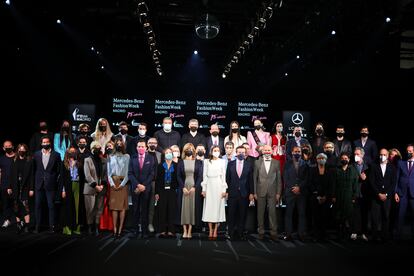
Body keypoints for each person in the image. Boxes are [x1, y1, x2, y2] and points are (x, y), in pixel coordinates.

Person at [128, 139, 156, 239]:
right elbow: (130, 173)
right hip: (135, 188)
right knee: (135, 210)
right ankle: (135, 230)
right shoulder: (133, 158)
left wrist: (143, 185)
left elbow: (152, 174)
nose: (140, 148)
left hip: (146, 188)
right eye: (139, 146)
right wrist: (138, 185)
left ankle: (144, 232)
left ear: (146, 148)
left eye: (142, 146)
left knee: (145, 210)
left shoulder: (151, 158)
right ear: (136, 148)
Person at [33, 136, 61, 233]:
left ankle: (51, 227)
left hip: (50, 184)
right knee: (38, 205)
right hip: (39, 184)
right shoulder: (36, 154)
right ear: (41, 143)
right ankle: (37, 227)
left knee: (51, 206)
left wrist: (53, 178)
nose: (45, 144)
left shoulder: (56, 155)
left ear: (50, 143)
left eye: (47, 142)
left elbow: (58, 170)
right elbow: (34, 169)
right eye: (43, 142)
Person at [226, 146, 254, 240]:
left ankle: (240, 234)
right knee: (231, 214)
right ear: (236, 153)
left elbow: (251, 180)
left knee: (242, 215)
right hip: (232, 193)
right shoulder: (230, 164)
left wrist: (251, 193)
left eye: (243, 152)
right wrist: (226, 191)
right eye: (239, 152)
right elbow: (227, 179)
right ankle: (230, 233)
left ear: (245, 154)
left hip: (244, 194)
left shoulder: (249, 165)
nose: (241, 154)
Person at [369, 148, 396, 242]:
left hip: (387, 197)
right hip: (376, 196)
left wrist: (387, 194)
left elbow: (393, 183)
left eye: (384, 154)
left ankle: (385, 236)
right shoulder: (373, 166)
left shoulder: (392, 167)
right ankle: (374, 237)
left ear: (388, 156)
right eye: (381, 154)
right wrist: (378, 194)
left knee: (386, 216)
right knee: (374, 217)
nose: (382, 156)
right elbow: (371, 181)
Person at [283, 146, 309, 241]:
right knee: (288, 214)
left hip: (301, 193)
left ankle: (301, 234)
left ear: (301, 152)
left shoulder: (305, 164)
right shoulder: (287, 164)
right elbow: (285, 178)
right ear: (292, 152)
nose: (297, 153)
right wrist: (293, 188)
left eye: (299, 151)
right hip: (290, 192)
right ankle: (288, 234)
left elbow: (306, 178)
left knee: (302, 214)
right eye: (295, 151)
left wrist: (299, 188)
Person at [201, 145, 227, 240]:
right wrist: (204, 189)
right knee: (209, 208)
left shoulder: (222, 162)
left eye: (218, 150)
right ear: (211, 151)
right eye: (214, 150)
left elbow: (223, 176)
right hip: (209, 186)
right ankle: (210, 230)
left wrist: (224, 190)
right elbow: (205, 176)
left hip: (218, 185)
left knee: (217, 208)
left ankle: (215, 230)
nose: (216, 152)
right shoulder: (206, 161)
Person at [177, 143, 203, 239]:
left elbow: (200, 176)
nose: (190, 150)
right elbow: (178, 176)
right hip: (184, 188)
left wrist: (194, 187)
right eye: (188, 149)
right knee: (184, 209)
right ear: (184, 150)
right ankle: (184, 230)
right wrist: (182, 187)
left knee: (192, 209)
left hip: (194, 188)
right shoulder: (180, 162)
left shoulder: (199, 162)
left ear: (194, 151)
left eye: (191, 149)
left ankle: (190, 231)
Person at [331, 153, 358, 241]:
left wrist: (354, 196)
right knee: (339, 216)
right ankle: (339, 234)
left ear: (349, 160)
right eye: (342, 158)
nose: (344, 159)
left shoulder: (353, 170)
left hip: (349, 196)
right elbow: (334, 184)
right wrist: (333, 196)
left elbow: (355, 184)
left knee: (348, 216)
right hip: (338, 196)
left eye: (346, 158)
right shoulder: (336, 170)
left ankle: (347, 234)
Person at [8, 144, 33, 233]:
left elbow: (32, 176)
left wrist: (31, 188)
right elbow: (10, 175)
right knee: (16, 206)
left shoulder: (29, 160)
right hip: (15, 186)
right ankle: (18, 225)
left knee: (26, 206)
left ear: (26, 150)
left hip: (25, 186)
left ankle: (27, 226)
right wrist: (9, 187)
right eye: (20, 149)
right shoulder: (14, 160)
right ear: (18, 150)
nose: (21, 151)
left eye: (23, 150)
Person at [107, 138, 130, 238]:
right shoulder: (110, 156)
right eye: (117, 144)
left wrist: (122, 184)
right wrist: (112, 184)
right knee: (114, 208)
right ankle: (114, 230)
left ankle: (120, 230)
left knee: (122, 208)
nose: (119, 145)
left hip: (123, 183)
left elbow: (128, 173)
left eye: (121, 144)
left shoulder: (127, 156)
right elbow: (108, 173)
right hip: (113, 182)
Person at [83, 141, 107, 235]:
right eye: (95, 148)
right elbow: (87, 175)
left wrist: (102, 185)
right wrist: (95, 186)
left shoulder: (104, 160)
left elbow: (105, 174)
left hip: (101, 188)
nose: (97, 149)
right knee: (90, 209)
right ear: (92, 149)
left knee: (99, 209)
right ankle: (89, 227)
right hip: (90, 188)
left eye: (99, 147)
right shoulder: (87, 160)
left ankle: (96, 227)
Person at [155, 148, 178, 238]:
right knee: (162, 210)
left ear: (172, 154)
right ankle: (163, 230)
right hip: (162, 190)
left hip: (172, 190)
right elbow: (157, 180)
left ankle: (171, 230)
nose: (168, 154)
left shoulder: (176, 165)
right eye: (166, 153)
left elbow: (178, 178)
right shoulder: (160, 166)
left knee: (171, 210)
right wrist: (156, 192)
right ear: (164, 155)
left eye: (170, 153)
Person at [59, 147, 82, 235]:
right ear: (67, 152)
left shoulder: (79, 162)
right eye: (70, 151)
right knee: (67, 206)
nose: (72, 152)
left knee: (77, 207)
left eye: (73, 151)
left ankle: (76, 227)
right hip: (68, 186)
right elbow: (62, 178)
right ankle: (67, 227)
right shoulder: (64, 163)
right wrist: (63, 190)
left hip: (77, 185)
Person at [309, 153, 331, 241]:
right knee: (315, 217)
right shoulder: (312, 170)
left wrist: (325, 196)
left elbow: (331, 184)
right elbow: (310, 183)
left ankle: (324, 235)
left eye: (323, 158)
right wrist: (317, 196)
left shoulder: (329, 171)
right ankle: (315, 236)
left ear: (326, 160)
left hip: (326, 197)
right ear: (317, 159)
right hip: (315, 197)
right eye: (319, 158)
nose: (321, 159)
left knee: (324, 217)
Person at [394, 144, 414, 240]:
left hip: (413, 193)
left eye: (410, 151)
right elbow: (397, 178)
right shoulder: (401, 163)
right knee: (400, 215)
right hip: (402, 193)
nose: (408, 153)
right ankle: (398, 236)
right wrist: (396, 192)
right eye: (407, 151)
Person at [351, 147, 371, 241]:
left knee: (364, 214)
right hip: (355, 193)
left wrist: (365, 180)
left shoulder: (368, 167)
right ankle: (354, 232)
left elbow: (371, 182)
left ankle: (364, 233)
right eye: (355, 154)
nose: (356, 156)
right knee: (355, 214)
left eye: (358, 154)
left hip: (365, 194)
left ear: (362, 155)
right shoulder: (351, 166)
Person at [147, 137, 162, 233]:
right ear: (147, 144)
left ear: (157, 145)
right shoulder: (143, 154)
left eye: (154, 143)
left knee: (152, 205)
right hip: (145, 183)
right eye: (150, 142)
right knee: (143, 204)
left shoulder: (160, 155)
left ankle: (150, 223)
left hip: (156, 183)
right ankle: (142, 223)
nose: (152, 144)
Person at [0, 140, 16, 229]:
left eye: (9, 146)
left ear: (13, 147)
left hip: (15, 184)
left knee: (16, 203)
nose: (8, 147)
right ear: (3, 148)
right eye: (6, 146)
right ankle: (7, 220)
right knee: (5, 203)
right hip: (4, 184)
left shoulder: (17, 157)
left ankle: (20, 221)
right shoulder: (1, 159)